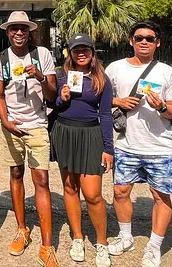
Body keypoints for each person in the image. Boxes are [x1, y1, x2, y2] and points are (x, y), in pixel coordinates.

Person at [105, 20, 172, 267]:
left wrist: (161, 106)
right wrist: (118, 101)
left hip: (161, 147)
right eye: (139, 38)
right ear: (131, 41)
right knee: (120, 192)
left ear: (157, 43)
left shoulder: (168, 72)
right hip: (126, 144)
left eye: (150, 38)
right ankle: (126, 237)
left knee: (160, 196)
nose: (144, 42)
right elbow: (101, 98)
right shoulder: (115, 68)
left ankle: (154, 246)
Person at [0, 11, 58, 266]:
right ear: (8, 32)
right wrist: (5, 121)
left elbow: (52, 95)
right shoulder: (0, 59)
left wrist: (40, 76)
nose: (19, 32)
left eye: (23, 28)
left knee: (41, 179)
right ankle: (22, 229)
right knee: (16, 174)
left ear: (29, 32)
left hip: (37, 125)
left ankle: (47, 245)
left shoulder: (42, 54)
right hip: (13, 125)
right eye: (14, 28)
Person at [52, 33, 113, 267]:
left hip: (90, 134)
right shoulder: (61, 75)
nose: (81, 54)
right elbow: (54, 105)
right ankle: (77, 237)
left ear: (92, 52)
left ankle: (102, 242)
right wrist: (62, 98)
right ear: (70, 52)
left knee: (93, 194)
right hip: (65, 131)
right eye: (76, 50)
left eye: (85, 49)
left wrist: (108, 148)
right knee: (70, 187)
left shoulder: (102, 79)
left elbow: (105, 114)